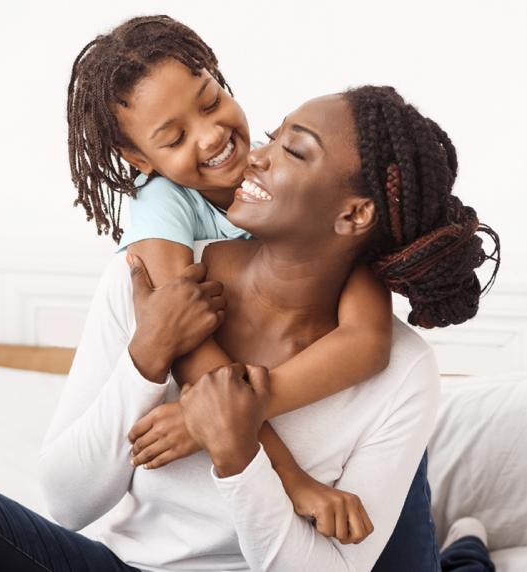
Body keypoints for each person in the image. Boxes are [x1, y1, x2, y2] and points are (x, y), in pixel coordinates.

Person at [0, 87, 500, 571]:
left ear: (352, 216)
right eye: (273, 133)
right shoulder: (151, 284)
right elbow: (66, 506)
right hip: (125, 567)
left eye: (293, 150)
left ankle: (462, 551)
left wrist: (237, 454)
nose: (257, 156)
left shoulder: (398, 365)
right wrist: (145, 361)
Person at [67, 15, 396, 547]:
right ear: (138, 159)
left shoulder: (283, 176)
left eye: (210, 101)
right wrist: (293, 481)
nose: (213, 135)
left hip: (342, 453)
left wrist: (209, 419)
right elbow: (187, 342)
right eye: (173, 137)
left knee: (405, 484)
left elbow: (368, 338)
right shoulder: (161, 212)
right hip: (274, 473)